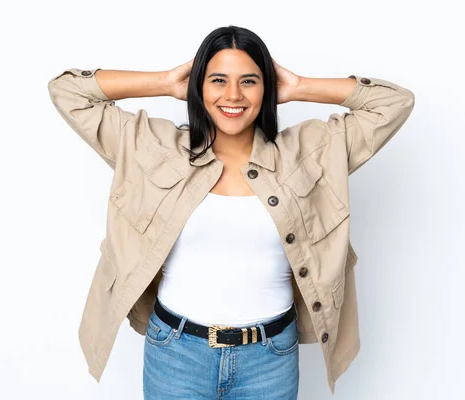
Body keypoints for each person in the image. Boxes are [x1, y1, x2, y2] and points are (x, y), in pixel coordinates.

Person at [47, 25, 415, 399]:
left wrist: (299, 86)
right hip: (176, 354)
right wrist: (165, 82)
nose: (233, 95)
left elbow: (394, 103)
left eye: (250, 81)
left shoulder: (311, 152)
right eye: (218, 80)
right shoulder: (151, 146)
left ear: (267, 87)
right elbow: (68, 92)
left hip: (269, 360)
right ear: (198, 87)